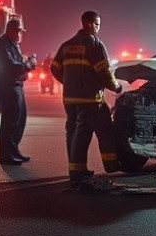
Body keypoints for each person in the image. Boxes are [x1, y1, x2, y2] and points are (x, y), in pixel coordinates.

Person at [50, 10, 123, 182]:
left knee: (77, 131)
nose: (98, 28)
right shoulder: (94, 44)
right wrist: (116, 86)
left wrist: (69, 82)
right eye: (97, 24)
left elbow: (54, 68)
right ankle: (81, 171)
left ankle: (90, 167)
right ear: (90, 23)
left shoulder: (66, 45)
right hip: (90, 100)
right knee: (91, 132)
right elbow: (104, 71)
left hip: (70, 99)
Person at [0, 18, 37, 165]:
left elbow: (18, 64)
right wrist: (29, 64)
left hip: (16, 86)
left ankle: (14, 150)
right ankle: (7, 156)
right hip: (8, 86)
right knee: (10, 121)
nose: (20, 35)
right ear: (11, 30)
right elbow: (12, 66)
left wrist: (26, 64)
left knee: (19, 120)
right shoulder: (2, 45)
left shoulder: (13, 44)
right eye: (18, 31)